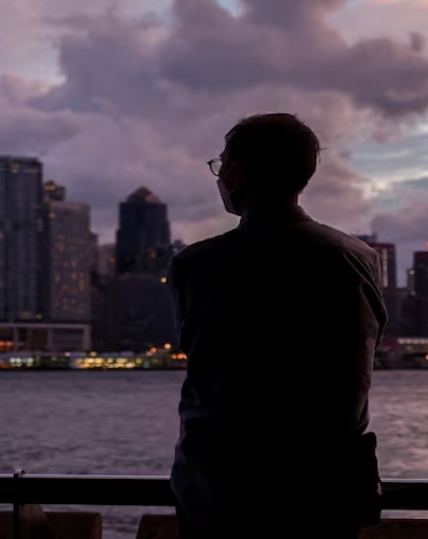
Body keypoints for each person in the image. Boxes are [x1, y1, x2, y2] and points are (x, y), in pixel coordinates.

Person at [166, 113, 387, 538]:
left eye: (221, 165)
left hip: (222, 487)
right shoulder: (360, 259)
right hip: (329, 485)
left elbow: (201, 356)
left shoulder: (194, 265)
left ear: (233, 173)